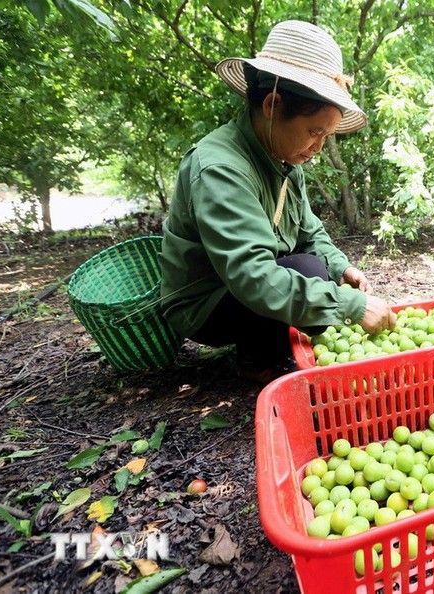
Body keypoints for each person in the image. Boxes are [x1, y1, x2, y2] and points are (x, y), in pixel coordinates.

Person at [159, 20, 396, 383]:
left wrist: (341, 267)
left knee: (315, 266)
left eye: (327, 136)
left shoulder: (284, 159)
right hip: (207, 303)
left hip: (247, 286)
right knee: (306, 270)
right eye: (315, 132)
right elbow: (252, 275)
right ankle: (260, 360)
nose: (318, 147)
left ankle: (276, 341)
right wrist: (350, 306)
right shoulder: (220, 168)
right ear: (272, 105)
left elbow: (308, 231)